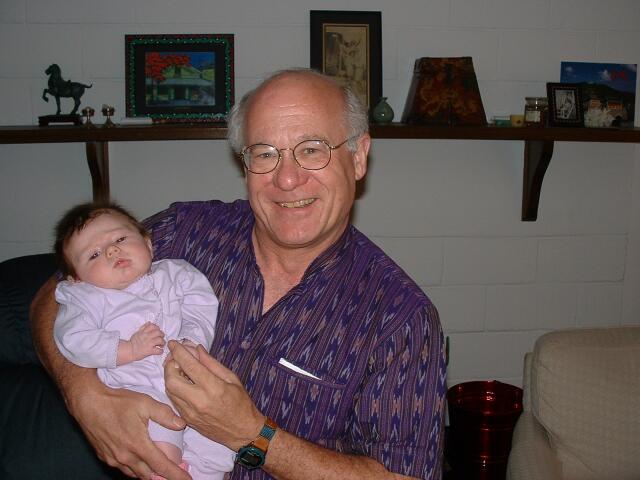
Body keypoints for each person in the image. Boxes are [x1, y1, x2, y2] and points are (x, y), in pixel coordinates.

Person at [31, 68, 447, 480]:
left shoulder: (400, 319)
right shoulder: (185, 231)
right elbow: (51, 297)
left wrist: (254, 435)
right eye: (265, 153)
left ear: (357, 157)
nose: (287, 178)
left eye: (312, 149)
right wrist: (85, 395)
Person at [51, 202, 234, 479]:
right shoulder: (84, 298)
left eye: (120, 239)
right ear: (76, 278)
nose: (112, 251)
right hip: (134, 389)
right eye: (94, 254)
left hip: (188, 381)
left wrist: (191, 341)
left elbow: (200, 305)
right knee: (160, 452)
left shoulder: (176, 273)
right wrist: (127, 349)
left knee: (217, 449)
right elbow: (73, 339)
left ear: (147, 243)